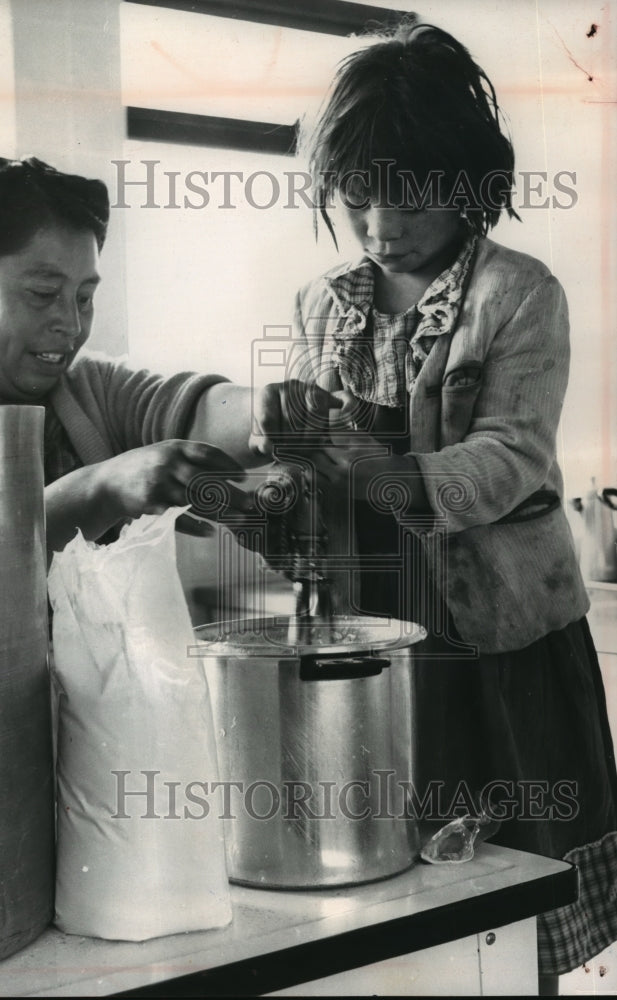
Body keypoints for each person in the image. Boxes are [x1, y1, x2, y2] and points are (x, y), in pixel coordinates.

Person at [290, 23, 617, 992]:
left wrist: (369, 469)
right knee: (383, 900)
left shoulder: (518, 295)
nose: (380, 221)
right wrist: (289, 454)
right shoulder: (321, 304)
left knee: (509, 898)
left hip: (494, 649)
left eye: (410, 191)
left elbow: (509, 458)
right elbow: (310, 471)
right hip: (366, 639)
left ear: (468, 182)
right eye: (358, 194)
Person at [0, 156, 340, 552]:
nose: (72, 323)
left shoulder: (84, 392)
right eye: (42, 294)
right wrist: (98, 490)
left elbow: (185, 408)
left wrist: (266, 410)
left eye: (84, 297)